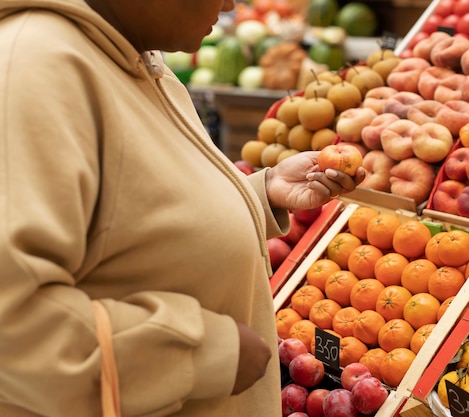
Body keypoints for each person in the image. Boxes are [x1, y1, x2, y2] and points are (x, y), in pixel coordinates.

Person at [0, 1, 365, 416]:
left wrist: (258, 195)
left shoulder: (139, 58)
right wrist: (203, 356)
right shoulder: (33, 68)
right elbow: (12, 323)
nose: (231, 5)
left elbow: (133, 220)